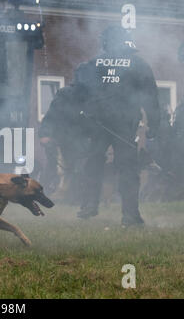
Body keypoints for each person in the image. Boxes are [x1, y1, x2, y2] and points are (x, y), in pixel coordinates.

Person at [73, 25, 160, 226]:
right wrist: (154, 126)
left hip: (98, 124)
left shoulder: (92, 64)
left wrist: (82, 120)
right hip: (124, 124)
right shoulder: (139, 64)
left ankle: (88, 206)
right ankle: (130, 216)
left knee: (93, 163)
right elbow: (151, 98)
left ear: (106, 41)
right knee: (128, 168)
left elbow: (78, 93)